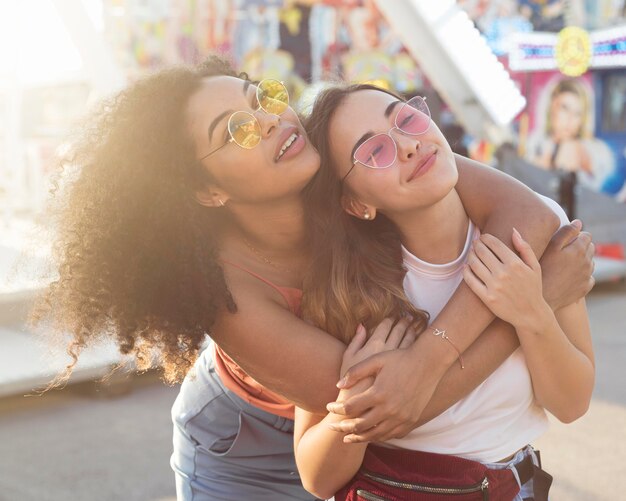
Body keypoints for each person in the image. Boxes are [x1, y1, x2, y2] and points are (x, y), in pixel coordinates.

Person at [31, 56, 594, 500]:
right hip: (244, 442)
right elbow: (393, 409)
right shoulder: (227, 295)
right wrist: (536, 297)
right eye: (238, 131)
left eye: (265, 99)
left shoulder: (347, 153)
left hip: (358, 439)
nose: (273, 120)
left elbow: (532, 215)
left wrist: (437, 353)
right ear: (209, 191)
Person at [294, 83, 595, 500]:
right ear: (355, 203)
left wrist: (534, 312)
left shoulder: (536, 236)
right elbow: (316, 476)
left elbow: (571, 404)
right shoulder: (349, 288)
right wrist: (353, 411)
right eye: (374, 151)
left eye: (407, 119)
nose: (408, 146)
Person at [528, 78, 614, 192]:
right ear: (552, 107)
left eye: (577, 113)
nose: (570, 119)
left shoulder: (594, 148)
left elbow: (594, 162)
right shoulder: (535, 141)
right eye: (564, 108)